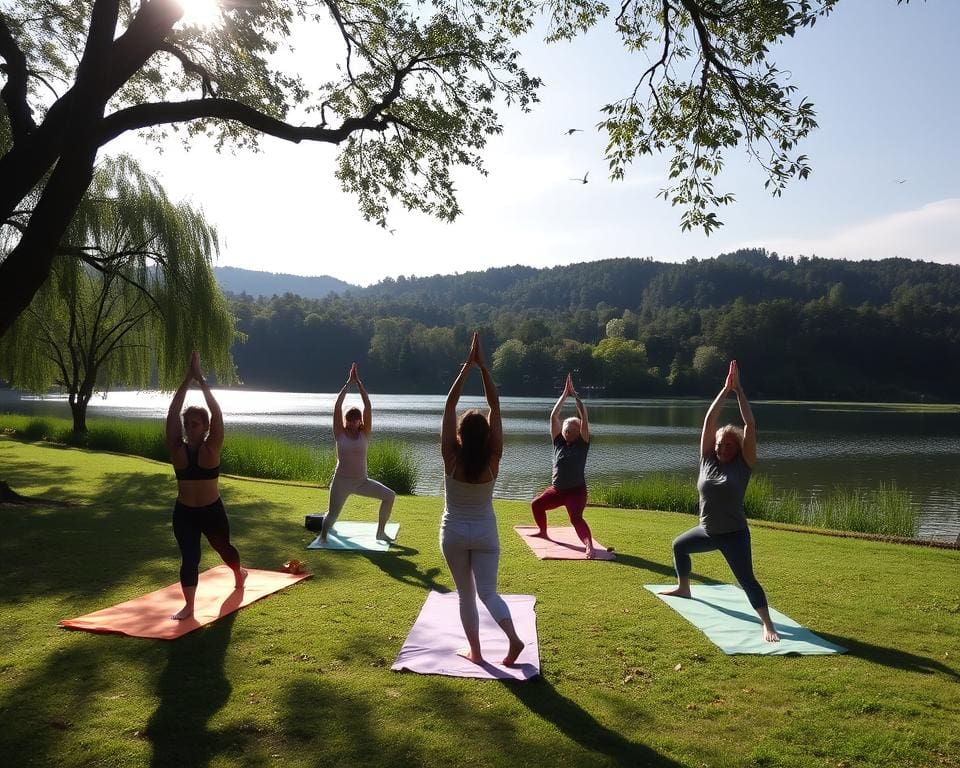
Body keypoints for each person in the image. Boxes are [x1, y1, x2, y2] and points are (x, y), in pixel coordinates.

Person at [660, 361, 780, 642]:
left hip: (734, 535)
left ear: (737, 447)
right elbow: (708, 422)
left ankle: (767, 623)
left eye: (728, 445)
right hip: (708, 530)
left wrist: (738, 392)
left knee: (747, 579)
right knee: (679, 546)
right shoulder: (707, 460)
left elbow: (750, 423)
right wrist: (724, 390)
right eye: (719, 445)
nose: (722, 448)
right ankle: (683, 587)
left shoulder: (743, 464)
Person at [440, 332, 524, 665]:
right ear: (487, 434)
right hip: (486, 532)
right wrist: (484, 368)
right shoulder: (494, 457)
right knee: (488, 593)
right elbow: (495, 405)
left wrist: (467, 367)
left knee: (466, 595)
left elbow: (449, 405)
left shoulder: (451, 456)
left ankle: (476, 652)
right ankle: (513, 639)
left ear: (460, 434)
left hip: (455, 533)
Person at [165, 351, 246, 620]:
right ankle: (189, 606)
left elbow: (217, 413)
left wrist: (202, 383)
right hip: (184, 512)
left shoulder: (212, 448)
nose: (189, 428)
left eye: (195, 424)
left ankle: (238, 571)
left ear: (205, 427)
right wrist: (187, 380)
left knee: (224, 549)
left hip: (212, 511)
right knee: (190, 557)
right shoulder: (178, 450)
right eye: (187, 425)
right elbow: (173, 412)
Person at [318, 363, 396, 543]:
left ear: (360, 421)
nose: (353, 423)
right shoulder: (339, 433)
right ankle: (322, 537)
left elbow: (368, 406)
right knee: (332, 515)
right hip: (341, 482)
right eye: (350, 420)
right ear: (346, 421)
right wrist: (348, 384)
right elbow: (337, 406)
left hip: (362, 482)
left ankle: (380, 533)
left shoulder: (365, 433)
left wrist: (359, 384)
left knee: (390, 496)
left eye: (356, 420)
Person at [530, 373, 596, 558]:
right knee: (536, 505)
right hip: (557, 490)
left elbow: (584, 416)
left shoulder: (582, 443)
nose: (565, 428)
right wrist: (564, 395)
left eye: (569, 427)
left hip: (576, 492)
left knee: (576, 518)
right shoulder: (558, 442)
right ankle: (543, 531)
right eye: (565, 426)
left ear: (578, 430)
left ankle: (588, 546)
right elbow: (553, 416)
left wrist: (576, 397)